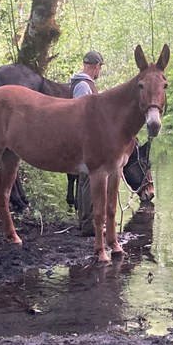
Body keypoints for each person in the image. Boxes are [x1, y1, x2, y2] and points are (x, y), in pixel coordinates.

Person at [71, 50, 104, 236]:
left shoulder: (84, 83)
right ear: (96, 66)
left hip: (86, 139)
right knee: (86, 180)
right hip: (84, 140)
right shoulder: (83, 85)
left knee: (86, 179)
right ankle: (86, 224)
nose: (99, 71)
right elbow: (80, 114)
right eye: (100, 67)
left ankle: (87, 222)